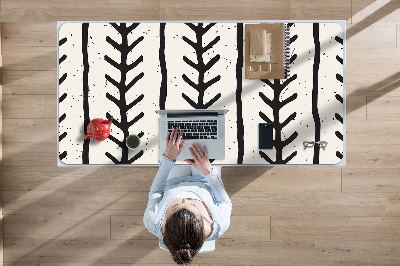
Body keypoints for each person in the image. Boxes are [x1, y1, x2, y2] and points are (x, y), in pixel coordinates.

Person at [143, 127, 232, 264]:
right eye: (192, 205)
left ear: (166, 224)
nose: (184, 198)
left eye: (176, 206)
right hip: (205, 180)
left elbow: (156, 192)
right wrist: (208, 171)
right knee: (209, 138)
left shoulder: (153, 222)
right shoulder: (219, 224)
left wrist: (168, 160)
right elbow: (224, 202)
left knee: (174, 143)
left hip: (173, 181)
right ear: (203, 223)